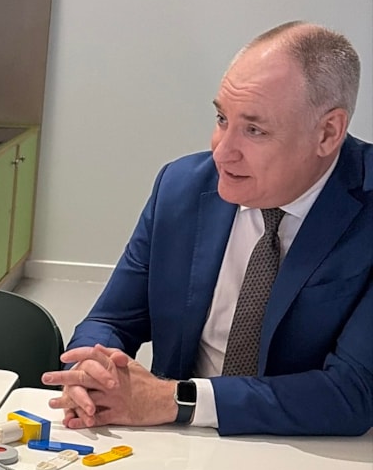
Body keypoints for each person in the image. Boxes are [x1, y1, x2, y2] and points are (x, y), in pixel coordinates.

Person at [43, 24, 372, 438]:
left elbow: (353, 393)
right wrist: (91, 372)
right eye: (221, 118)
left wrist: (175, 399)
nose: (222, 150)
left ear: (327, 133)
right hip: (182, 446)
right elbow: (112, 319)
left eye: (254, 130)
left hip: (312, 452)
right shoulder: (181, 186)